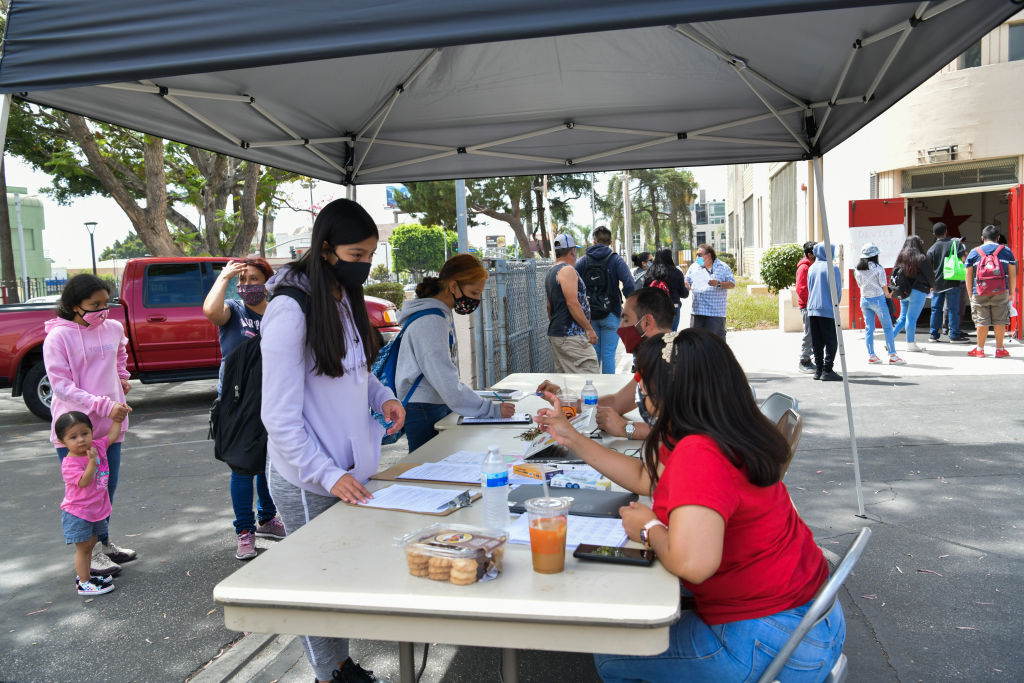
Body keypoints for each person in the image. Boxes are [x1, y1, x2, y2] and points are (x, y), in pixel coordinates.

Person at [534, 329, 845, 682]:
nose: (643, 401)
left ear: (672, 395)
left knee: (613, 654)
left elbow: (693, 564)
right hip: (809, 621)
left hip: (774, 641)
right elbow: (645, 477)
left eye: (647, 390)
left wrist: (649, 528)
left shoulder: (700, 452)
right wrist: (571, 437)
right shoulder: (721, 427)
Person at [260, 198, 404, 683]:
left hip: (347, 470)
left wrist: (383, 397)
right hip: (309, 476)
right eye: (356, 255)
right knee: (316, 585)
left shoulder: (344, 297)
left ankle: (340, 665)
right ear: (326, 250)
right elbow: (278, 417)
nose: (364, 265)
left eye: (370, 255)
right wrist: (328, 474)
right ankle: (332, 673)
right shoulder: (289, 311)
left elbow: (353, 372)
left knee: (340, 579)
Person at [43, 274, 136, 578]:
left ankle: (105, 542)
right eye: (93, 305)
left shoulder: (114, 328)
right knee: (84, 492)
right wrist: (103, 404)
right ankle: (91, 551)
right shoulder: (58, 337)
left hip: (111, 423)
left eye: (105, 303)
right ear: (74, 306)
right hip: (76, 428)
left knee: (107, 488)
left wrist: (123, 377)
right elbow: (62, 386)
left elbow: (120, 354)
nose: (102, 310)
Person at [203, 257, 286, 561]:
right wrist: (224, 277)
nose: (248, 286)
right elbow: (211, 311)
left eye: (254, 279)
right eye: (243, 280)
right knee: (242, 467)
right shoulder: (235, 311)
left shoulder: (279, 312)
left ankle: (267, 518)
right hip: (237, 402)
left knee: (269, 463)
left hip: (274, 397)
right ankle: (244, 531)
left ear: (268, 281)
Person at [396, 254, 515, 452]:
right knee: (427, 468)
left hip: (429, 405)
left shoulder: (439, 315)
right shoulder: (431, 322)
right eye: (474, 292)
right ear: (453, 287)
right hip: (424, 409)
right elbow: (445, 380)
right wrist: (491, 410)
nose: (476, 300)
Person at [536, 287, 675, 441]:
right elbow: (617, 402)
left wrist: (626, 428)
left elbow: (684, 430)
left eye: (626, 319)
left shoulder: (676, 362)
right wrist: (563, 401)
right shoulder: (656, 359)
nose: (621, 327)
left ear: (647, 322)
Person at [56, 409, 127, 596]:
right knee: (82, 550)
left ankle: (87, 576)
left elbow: (112, 435)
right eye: (73, 437)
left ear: (91, 432)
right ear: (63, 442)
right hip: (78, 513)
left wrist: (118, 419)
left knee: (91, 545)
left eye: (84, 433)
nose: (80, 440)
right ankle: (84, 583)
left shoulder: (96, 446)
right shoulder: (70, 463)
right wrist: (92, 463)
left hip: (95, 511)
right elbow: (83, 482)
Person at [575, 226, 636, 373]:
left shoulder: (583, 261)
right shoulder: (616, 260)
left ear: (594, 241)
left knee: (594, 356)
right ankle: (608, 391)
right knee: (608, 355)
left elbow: (574, 285)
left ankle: (594, 389)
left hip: (589, 316)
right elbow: (629, 285)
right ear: (611, 242)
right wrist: (630, 309)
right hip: (611, 313)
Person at [545, 233, 600, 373]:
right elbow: (572, 303)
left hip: (559, 333)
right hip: (571, 336)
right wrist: (589, 329)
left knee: (568, 383)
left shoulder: (552, 272)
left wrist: (558, 326)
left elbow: (549, 306)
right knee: (589, 376)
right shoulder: (567, 270)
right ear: (572, 251)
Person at [964, 224, 1017, 358]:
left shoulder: (974, 252)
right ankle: (1000, 349)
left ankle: (980, 350)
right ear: (998, 238)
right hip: (1001, 291)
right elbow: (1012, 274)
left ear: (982, 238)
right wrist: (1011, 293)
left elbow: (968, 275)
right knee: (1000, 320)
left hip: (980, 291)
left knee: (981, 320)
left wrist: (971, 294)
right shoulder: (1006, 251)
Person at [854, 243, 904, 365]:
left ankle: (872, 355)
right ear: (875, 255)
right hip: (878, 300)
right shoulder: (878, 268)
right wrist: (890, 293)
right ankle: (892, 355)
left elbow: (860, 285)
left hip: (864, 300)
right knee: (887, 328)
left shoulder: (857, 269)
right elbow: (884, 289)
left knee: (869, 329)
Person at [926, 222, 970, 343]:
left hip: (937, 283)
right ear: (946, 231)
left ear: (934, 234)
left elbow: (928, 267)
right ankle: (954, 335)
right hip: (953, 281)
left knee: (935, 309)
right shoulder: (955, 244)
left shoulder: (932, 248)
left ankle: (933, 335)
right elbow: (963, 260)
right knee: (953, 309)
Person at [806, 242, 843, 381]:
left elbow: (810, 287)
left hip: (812, 309)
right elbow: (837, 291)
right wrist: (835, 305)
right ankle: (828, 370)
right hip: (827, 308)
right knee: (831, 341)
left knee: (817, 341)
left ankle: (819, 369)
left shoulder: (812, 267)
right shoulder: (832, 268)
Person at [891, 235, 934, 352]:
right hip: (918, 291)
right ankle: (911, 344)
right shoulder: (921, 258)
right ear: (918, 244)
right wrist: (932, 286)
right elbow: (929, 275)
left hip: (904, 292)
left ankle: (889, 340)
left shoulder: (901, 257)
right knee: (911, 318)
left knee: (902, 318)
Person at [684, 243, 735, 339]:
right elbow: (687, 282)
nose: (697, 257)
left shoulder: (723, 267)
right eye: (696, 255)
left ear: (709, 255)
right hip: (697, 312)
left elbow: (732, 284)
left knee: (715, 343)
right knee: (695, 342)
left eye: (700, 255)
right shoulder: (694, 267)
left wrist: (718, 283)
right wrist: (686, 285)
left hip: (715, 313)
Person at [643, 248, 688, 330]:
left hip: (654, 308)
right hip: (673, 307)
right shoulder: (676, 272)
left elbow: (644, 292)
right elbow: (684, 294)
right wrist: (687, 288)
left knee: (655, 335)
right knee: (670, 336)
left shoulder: (649, 273)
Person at [795, 241, 816, 373]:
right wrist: (811, 303)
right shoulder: (804, 268)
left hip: (814, 305)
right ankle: (804, 360)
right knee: (809, 334)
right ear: (810, 254)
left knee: (814, 334)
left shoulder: (812, 266)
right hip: (808, 306)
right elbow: (801, 289)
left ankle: (809, 359)